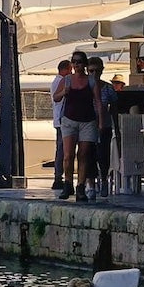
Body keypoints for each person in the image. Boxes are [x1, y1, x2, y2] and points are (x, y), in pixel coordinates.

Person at [52, 51, 103, 202]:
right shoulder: (67, 80)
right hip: (69, 120)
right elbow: (55, 97)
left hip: (88, 121)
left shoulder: (91, 81)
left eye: (79, 62)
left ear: (84, 64)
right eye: (74, 62)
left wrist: (100, 122)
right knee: (68, 155)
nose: (76, 64)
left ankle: (81, 186)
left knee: (84, 154)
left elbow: (98, 101)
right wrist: (63, 92)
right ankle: (68, 184)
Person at [87, 57, 117, 198]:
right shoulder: (84, 87)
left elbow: (115, 106)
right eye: (91, 71)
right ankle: (90, 183)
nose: (94, 74)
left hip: (104, 125)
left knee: (103, 155)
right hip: (87, 125)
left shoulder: (108, 88)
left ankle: (104, 180)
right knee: (88, 155)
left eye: (97, 71)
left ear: (102, 71)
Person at [50, 60, 71, 190]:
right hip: (61, 120)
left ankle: (59, 177)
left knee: (61, 149)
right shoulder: (60, 82)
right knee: (62, 149)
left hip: (60, 119)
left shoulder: (56, 81)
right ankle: (58, 177)